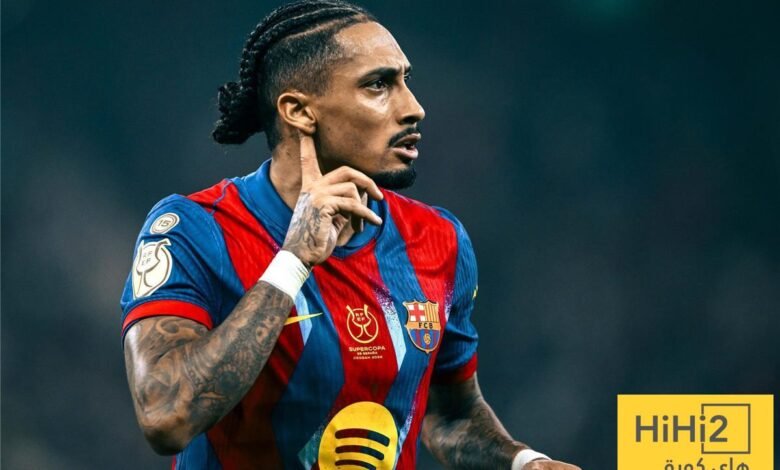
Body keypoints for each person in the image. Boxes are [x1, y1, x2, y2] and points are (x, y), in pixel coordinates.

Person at [120, 1, 581, 469]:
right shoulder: (195, 229)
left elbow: (451, 417)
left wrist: (527, 462)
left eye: (406, 81)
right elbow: (165, 417)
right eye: (378, 85)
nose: (414, 108)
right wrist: (294, 259)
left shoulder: (439, 240)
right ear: (299, 111)